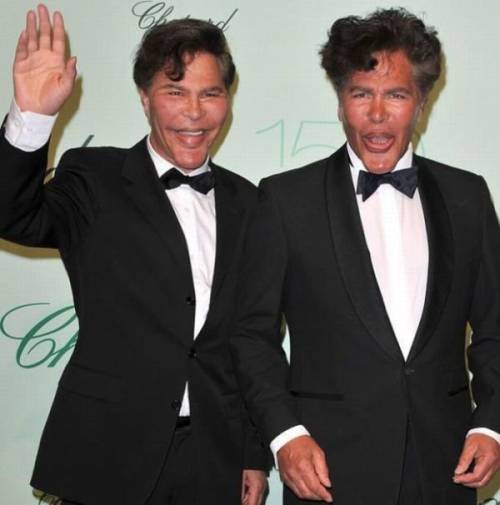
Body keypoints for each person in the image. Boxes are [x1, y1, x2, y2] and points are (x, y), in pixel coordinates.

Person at [0, 4, 269, 505]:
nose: (194, 112)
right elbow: (11, 215)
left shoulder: (249, 202)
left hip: (212, 456)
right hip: (106, 450)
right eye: (175, 92)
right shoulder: (94, 178)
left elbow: (251, 339)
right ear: (145, 98)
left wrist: (252, 450)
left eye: (210, 93)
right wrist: (32, 117)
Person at [231, 7, 500, 505]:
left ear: (421, 103)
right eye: (361, 94)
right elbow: (251, 336)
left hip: (445, 466)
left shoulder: (468, 197)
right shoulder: (286, 200)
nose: (377, 114)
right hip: (328, 470)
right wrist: (285, 435)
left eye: (396, 95)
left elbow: (495, 330)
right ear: (340, 102)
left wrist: (492, 424)